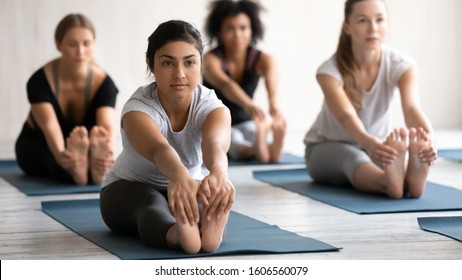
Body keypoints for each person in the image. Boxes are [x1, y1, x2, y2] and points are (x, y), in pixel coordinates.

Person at [99, 20, 235, 254]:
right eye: (167, 63)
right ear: (150, 65)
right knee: (151, 204)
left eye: (189, 62)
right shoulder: (137, 110)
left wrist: (219, 174)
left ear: (201, 63)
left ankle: (207, 230)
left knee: (206, 196)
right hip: (127, 191)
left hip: (188, 187)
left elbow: (214, 146)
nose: (180, 74)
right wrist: (180, 176)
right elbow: (160, 150)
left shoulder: (212, 106)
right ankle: (178, 235)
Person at [303, 0, 437, 199]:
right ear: (347, 27)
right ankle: (389, 183)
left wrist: (429, 139)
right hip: (326, 147)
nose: (373, 28)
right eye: (362, 21)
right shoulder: (328, 72)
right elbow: (346, 116)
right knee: (354, 158)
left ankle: (410, 177)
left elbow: (411, 109)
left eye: (380, 20)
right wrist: (369, 143)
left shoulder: (402, 66)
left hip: (377, 147)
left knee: (389, 157)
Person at [15, 14, 119, 185]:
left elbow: (106, 126)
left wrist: (108, 155)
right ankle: (80, 170)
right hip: (39, 142)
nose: (80, 51)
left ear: (94, 44)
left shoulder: (104, 84)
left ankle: (95, 169)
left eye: (86, 44)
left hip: (85, 147)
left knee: (92, 158)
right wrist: (64, 160)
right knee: (55, 161)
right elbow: (50, 126)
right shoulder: (39, 81)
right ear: (58, 44)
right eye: (72, 44)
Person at [203, 0, 286, 163]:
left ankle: (268, 147)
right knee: (233, 141)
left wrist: (274, 105)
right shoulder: (209, 59)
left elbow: (271, 79)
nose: (237, 35)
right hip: (216, 122)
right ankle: (254, 150)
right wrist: (249, 105)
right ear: (219, 31)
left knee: (255, 132)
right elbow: (226, 85)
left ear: (252, 30)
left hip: (244, 121)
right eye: (230, 28)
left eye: (243, 28)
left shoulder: (263, 59)